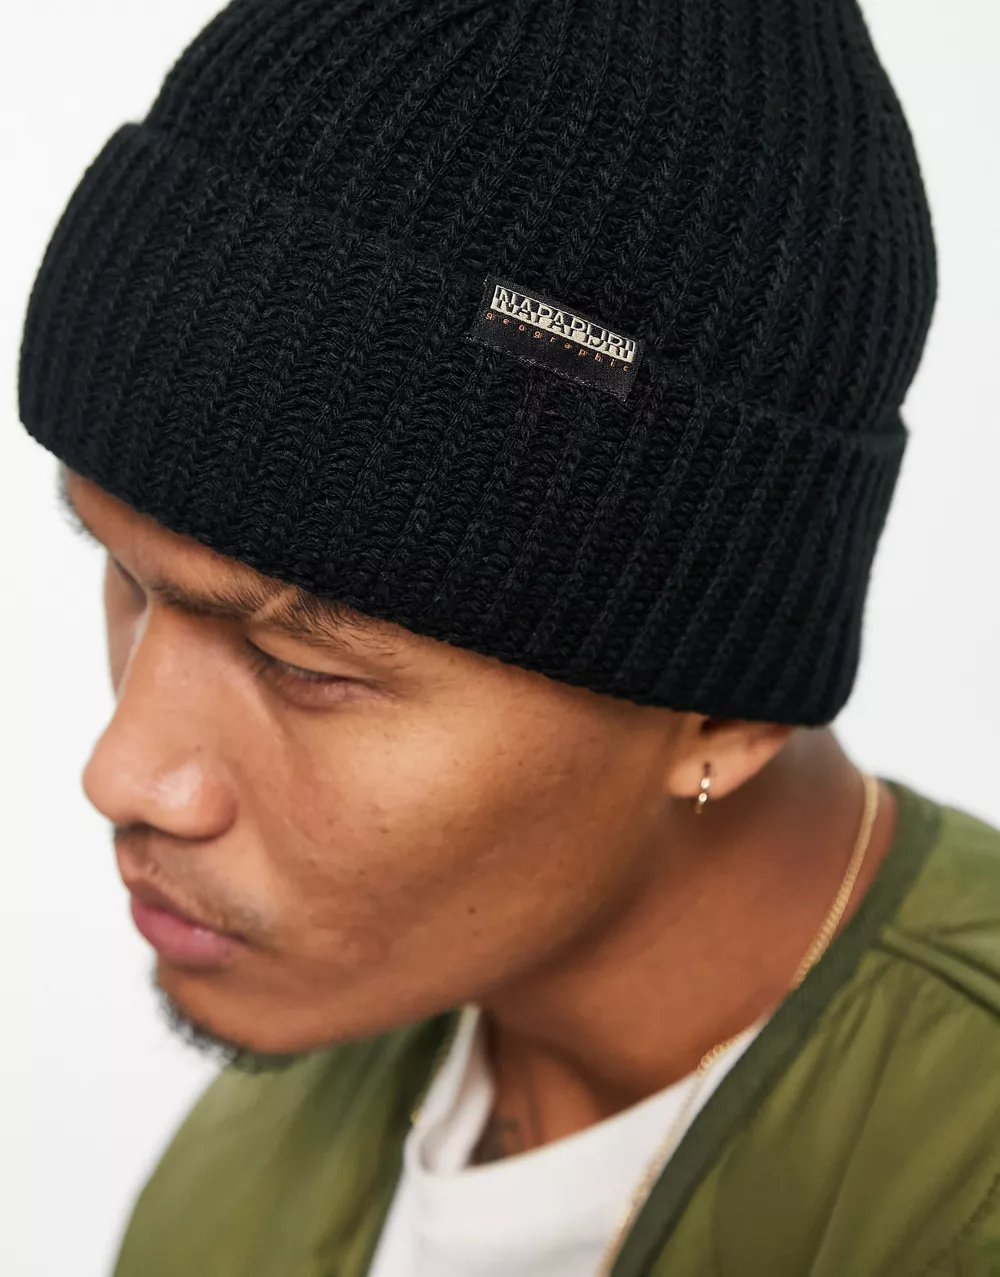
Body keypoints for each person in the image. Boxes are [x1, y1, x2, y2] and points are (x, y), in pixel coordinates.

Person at [17, 0, 1000, 1273]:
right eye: (126, 579)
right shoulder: (244, 1176)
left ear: (724, 709)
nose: (124, 773)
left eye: (303, 665)